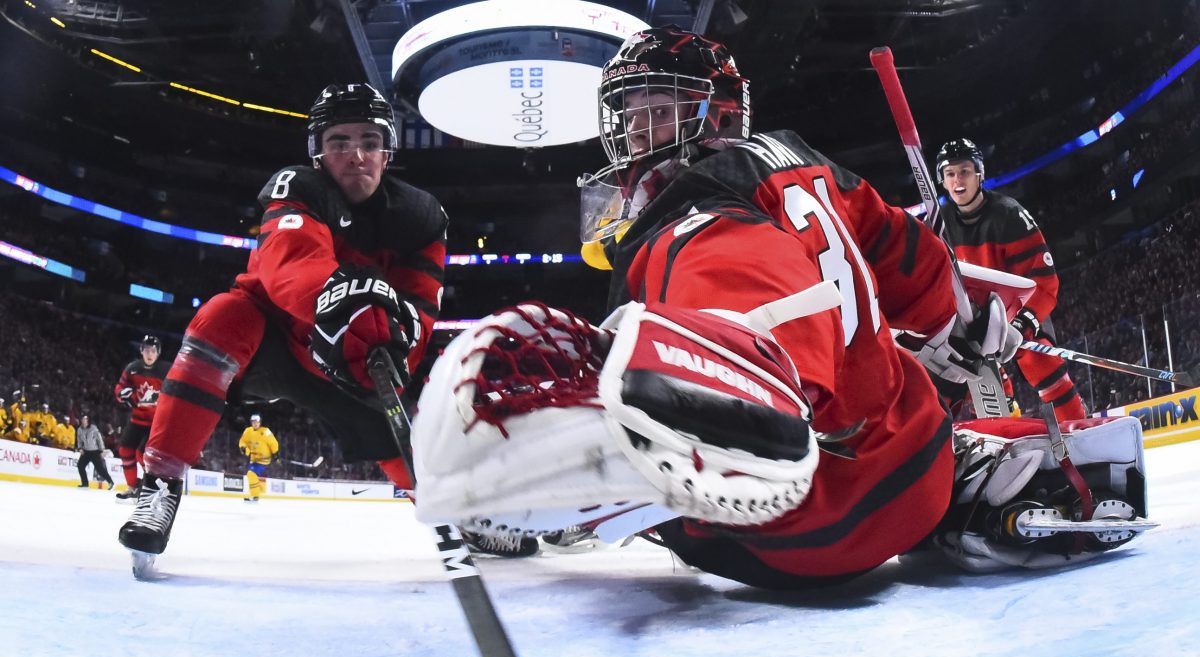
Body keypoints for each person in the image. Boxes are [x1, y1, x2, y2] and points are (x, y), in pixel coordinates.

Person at [409, 25, 1150, 585]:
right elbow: (904, 252)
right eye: (629, 114)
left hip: (814, 528)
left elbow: (759, 309)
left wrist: (716, 387)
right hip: (914, 465)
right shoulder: (803, 159)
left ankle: (572, 512)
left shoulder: (689, 217)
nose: (634, 133)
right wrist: (959, 323)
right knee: (887, 370)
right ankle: (972, 466)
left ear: (718, 117)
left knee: (631, 420)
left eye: (656, 111)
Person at [117, 83, 447, 564]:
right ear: (318, 152)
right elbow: (288, 268)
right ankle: (160, 485)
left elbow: (420, 313)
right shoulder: (298, 188)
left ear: (387, 151)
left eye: (369, 142)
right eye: (339, 142)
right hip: (272, 340)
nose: (355, 155)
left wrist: (390, 342)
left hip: (350, 360)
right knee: (221, 316)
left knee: (408, 440)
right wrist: (342, 306)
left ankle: (456, 515)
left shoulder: (422, 218)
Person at [936, 138, 1087, 422]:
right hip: (970, 321)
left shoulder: (1008, 215)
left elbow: (1045, 281)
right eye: (950, 173)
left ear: (979, 173)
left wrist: (1022, 323)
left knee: (1042, 364)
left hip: (1016, 311)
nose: (958, 180)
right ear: (942, 181)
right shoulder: (939, 225)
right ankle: (1000, 434)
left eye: (965, 171)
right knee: (969, 380)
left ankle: (1078, 429)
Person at [113, 335, 169, 499]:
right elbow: (120, 387)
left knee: (142, 454)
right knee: (125, 450)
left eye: (153, 351)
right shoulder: (132, 368)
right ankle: (132, 487)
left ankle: (151, 487)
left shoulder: (166, 370)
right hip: (137, 419)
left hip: (156, 423)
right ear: (141, 351)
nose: (149, 354)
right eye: (146, 350)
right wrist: (121, 396)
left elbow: (178, 388)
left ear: (158, 353)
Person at [238, 413, 279, 502]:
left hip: (264, 460)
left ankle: (255, 495)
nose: (255, 423)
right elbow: (242, 441)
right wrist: (244, 448)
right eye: (253, 422)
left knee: (251, 474)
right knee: (251, 475)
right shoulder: (247, 431)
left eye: (257, 422)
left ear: (260, 422)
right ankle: (255, 495)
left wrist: (275, 453)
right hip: (254, 459)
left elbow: (273, 443)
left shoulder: (265, 431)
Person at [75, 413, 115, 489]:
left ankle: (111, 482)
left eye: (86, 419)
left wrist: (102, 449)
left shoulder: (93, 428)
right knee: (80, 466)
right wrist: (80, 448)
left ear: (88, 420)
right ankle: (85, 483)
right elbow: (79, 440)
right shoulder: (79, 429)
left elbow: (99, 439)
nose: (84, 421)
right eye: (83, 419)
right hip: (86, 451)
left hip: (95, 452)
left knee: (100, 469)